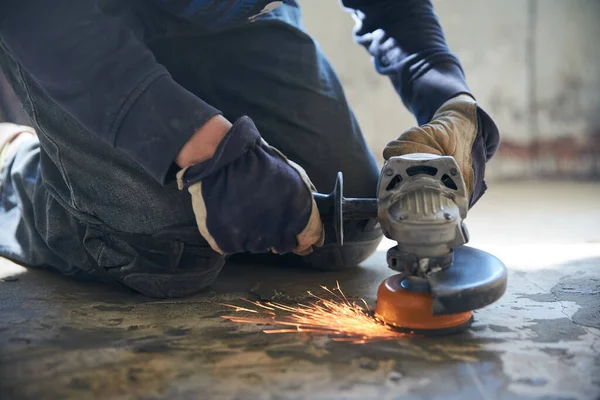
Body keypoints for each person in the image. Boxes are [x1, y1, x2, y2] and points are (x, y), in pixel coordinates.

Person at [0, 0, 499, 298]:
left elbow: (390, 8)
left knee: (343, 233)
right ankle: (13, 167)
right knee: (164, 253)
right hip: (76, 23)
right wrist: (207, 148)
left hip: (232, 19)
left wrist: (451, 102)